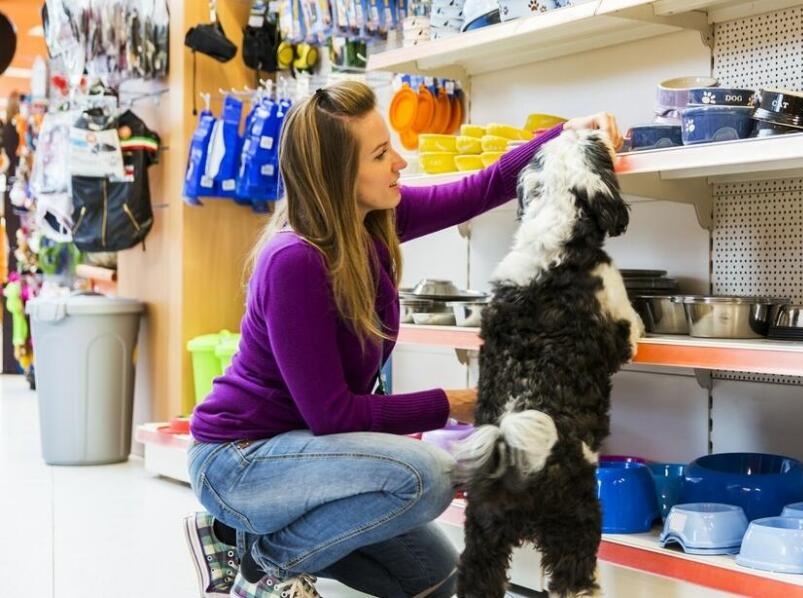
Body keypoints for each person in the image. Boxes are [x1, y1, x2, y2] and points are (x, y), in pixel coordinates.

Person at [183, 79, 623, 598]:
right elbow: (333, 416)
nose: (400, 162)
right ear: (338, 175)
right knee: (431, 473)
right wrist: (455, 403)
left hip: (309, 457)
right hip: (241, 460)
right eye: (380, 153)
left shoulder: (374, 221)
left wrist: (562, 136)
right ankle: (263, 561)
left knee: (438, 577)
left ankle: (247, 536)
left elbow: (478, 189)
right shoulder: (293, 260)